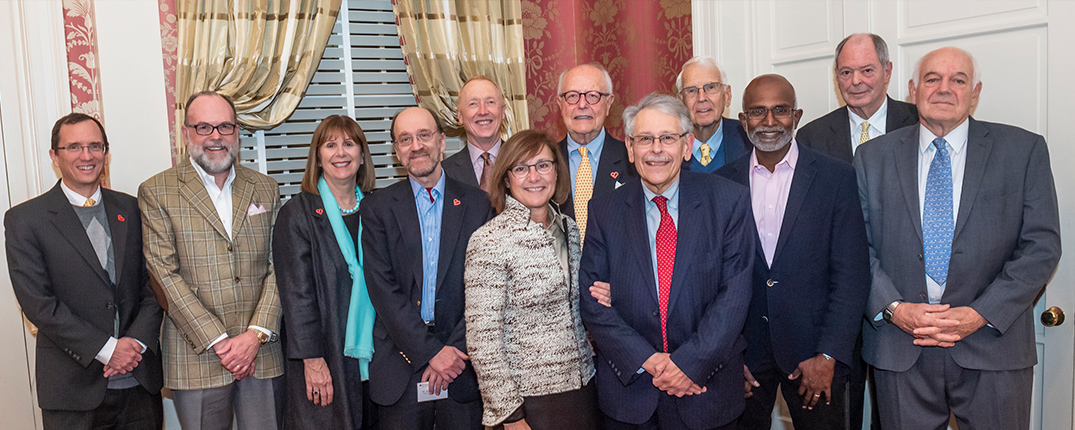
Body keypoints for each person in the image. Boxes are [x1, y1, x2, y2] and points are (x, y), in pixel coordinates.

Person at [855, 47, 1061, 429]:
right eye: (932, 79)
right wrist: (896, 309)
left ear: (975, 91)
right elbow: (855, 247)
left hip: (994, 347)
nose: (944, 89)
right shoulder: (872, 158)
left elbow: (1041, 246)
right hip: (902, 349)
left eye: (958, 80)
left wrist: (980, 313)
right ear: (913, 89)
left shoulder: (1023, 150)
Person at [580, 93, 755, 430]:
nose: (656, 149)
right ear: (630, 149)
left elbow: (734, 296)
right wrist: (648, 360)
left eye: (667, 138)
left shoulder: (729, 201)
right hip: (630, 393)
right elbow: (591, 301)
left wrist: (688, 364)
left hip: (707, 389)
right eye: (645, 139)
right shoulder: (603, 211)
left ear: (687, 145)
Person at [714, 75, 870, 430]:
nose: (769, 122)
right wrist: (725, 356)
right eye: (758, 112)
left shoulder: (836, 179)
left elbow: (852, 275)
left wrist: (829, 354)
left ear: (796, 116)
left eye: (780, 111)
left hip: (816, 357)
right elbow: (714, 280)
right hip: (745, 359)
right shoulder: (721, 184)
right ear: (743, 120)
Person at [6, 113, 163, 429]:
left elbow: (155, 286)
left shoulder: (133, 209)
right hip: (71, 392)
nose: (87, 155)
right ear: (55, 156)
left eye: (95, 146)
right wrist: (108, 351)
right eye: (74, 147)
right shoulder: (26, 220)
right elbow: (40, 305)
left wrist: (135, 345)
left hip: (139, 384)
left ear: (105, 152)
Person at [140, 91, 284, 429]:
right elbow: (164, 275)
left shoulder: (266, 188)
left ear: (237, 133)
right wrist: (221, 344)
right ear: (187, 133)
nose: (216, 136)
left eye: (225, 126)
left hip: (260, 352)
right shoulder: (157, 191)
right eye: (204, 127)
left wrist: (254, 336)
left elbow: (281, 265)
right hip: (197, 355)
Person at [361, 106, 494, 429]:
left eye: (424, 135)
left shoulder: (478, 204)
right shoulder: (377, 208)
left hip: (462, 364)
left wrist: (453, 351)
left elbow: (486, 287)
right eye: (405, 139)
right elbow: (383, 290)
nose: (416, 145)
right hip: (402, 365)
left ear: (442, 141)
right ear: (396, 151)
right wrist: (431, 353)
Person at [464, 130, 599, 429]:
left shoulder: (571, 230)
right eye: (521, 168)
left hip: (583, 390)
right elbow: (482, 340)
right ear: (506, 178)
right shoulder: (489, 240)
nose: (534, 176)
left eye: (543, 165)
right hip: (527, 403)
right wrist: (510, 415)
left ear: (556, 171)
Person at [273, 115, 379, 429]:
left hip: (378, 355)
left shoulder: (379, 208)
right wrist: (312, 360)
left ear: (362, 156)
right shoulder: (298, 213)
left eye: (349, 144)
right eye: (330, 145)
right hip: (326, 354)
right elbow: (296, 295)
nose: (340, 152)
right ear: (318, 158)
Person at [797, 33, 919, 164]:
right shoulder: (811, 138)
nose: (855, 81)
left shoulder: (919, 121)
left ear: (887, 72)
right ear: (837, 77)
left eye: (867, 70)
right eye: (846, 72)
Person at [555, 63, 635, 241]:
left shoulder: (633, 161)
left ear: (609, 103)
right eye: (572, 96)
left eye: (593, 96)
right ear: (560, 105)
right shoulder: (543, 164)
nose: (582, 105)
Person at [675, 56, 750, 173]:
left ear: (727, 96)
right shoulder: (666, 145)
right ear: (681, 101)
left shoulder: (748, 139)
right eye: (691, 90)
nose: (701, 98)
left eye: (710, 87)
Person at [442, 76, 508, 190]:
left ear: (503, 112)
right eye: (473, 104)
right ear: (460, 116)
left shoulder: (524, 163)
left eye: (490, 102)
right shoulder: (443, 173)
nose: (483, 111)